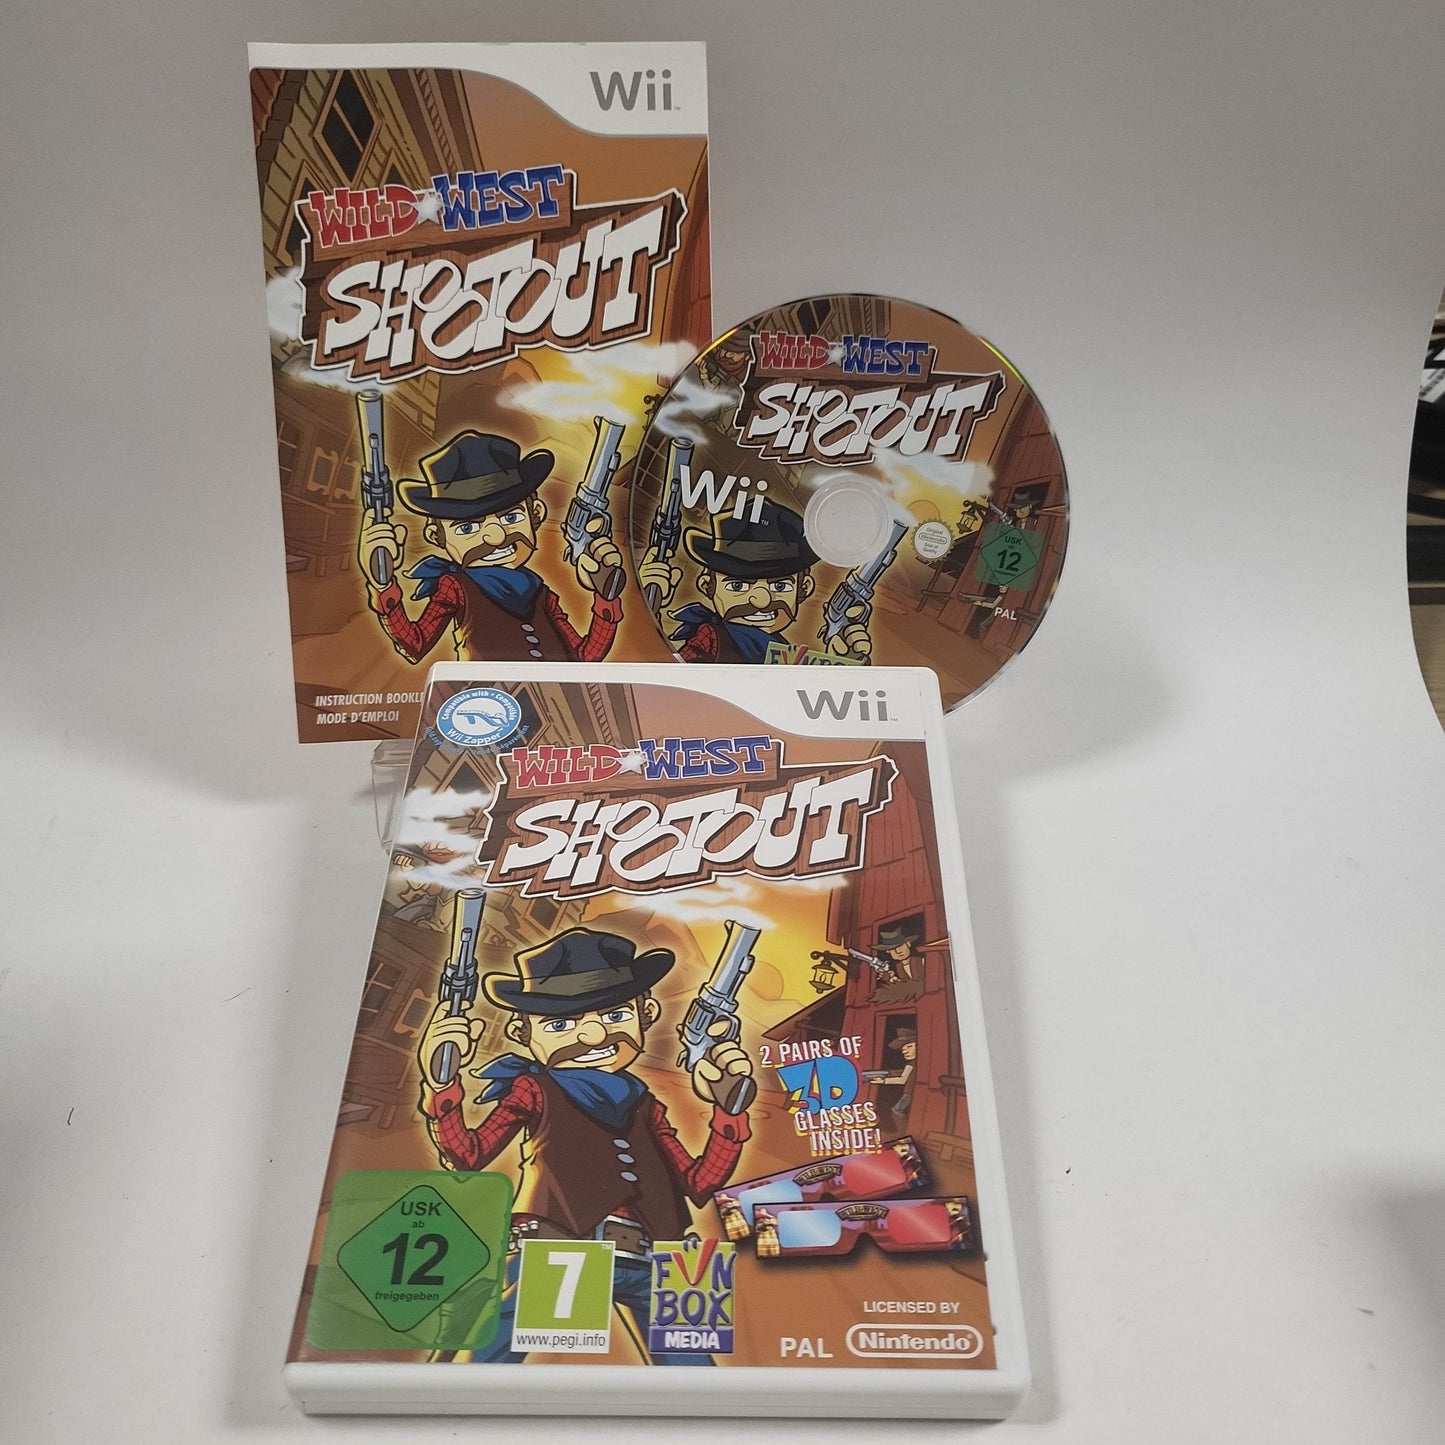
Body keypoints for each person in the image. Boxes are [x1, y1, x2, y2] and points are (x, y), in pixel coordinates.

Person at [415, 925, 753, 1364]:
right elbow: (468, 1154)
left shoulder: (645, 1102)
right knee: (480, 1366)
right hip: (569, 1247)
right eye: (560, 1024)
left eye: (614, 1016)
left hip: (667, 1257)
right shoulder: (534, 1090)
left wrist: (728, 1110)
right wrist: (442, 1084)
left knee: (697, 1378)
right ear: (522, 1032)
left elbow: (699, 1183)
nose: (594, 1036)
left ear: (646, 1012)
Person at [359, 429, 623, 663]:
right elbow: (415, 644)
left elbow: (584, 657)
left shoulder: (540, 592)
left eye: (511, 518)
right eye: (467, 528)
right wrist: (383, 584)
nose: (496, 537)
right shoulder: (456, 588)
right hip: (487, 698)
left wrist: (606, 596)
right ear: (436, 536)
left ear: (536, 514)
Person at [639, 499, 868, 663]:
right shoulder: (711, 638)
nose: (761, 600)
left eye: (780, 586)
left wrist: (845, 664)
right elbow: (673, 681)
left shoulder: (784, 650)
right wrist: (647, 606)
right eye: (737, 586)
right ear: (707, 585)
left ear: (804, 588)